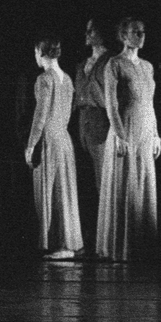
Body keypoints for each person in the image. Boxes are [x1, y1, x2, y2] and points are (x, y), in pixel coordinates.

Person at [98, 18, 161, 260]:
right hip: (126, 129)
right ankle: (121, 247)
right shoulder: (114, 64)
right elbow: (111, 105)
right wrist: (121, 136)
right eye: (136, 32)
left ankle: (142, 246)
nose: (141, 35)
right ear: (124, 36)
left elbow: (150, 103)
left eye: (143, 32)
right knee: (126, 185)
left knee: (143, 185)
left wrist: (156, 134)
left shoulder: (147, 66)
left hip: (145, 131)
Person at [24, 36, 83, 259]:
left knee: (48, 191)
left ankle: (56, 243)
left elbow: (40, 117)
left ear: (40, 52)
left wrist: (30, 145)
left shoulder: (44, 79)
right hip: (64, 138)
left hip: (49, 139)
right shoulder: (67, 79)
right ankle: (65, 243)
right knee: (64, 191)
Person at [73, 18, 113, 248]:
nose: (87, 34)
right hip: (83, 124)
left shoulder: (110, 61)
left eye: (92, 29)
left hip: (101, 125)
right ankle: (90, 237)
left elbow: (107, 97)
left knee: (102, 183)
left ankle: (105, 240)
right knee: (86, 183)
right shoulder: (82, 63)